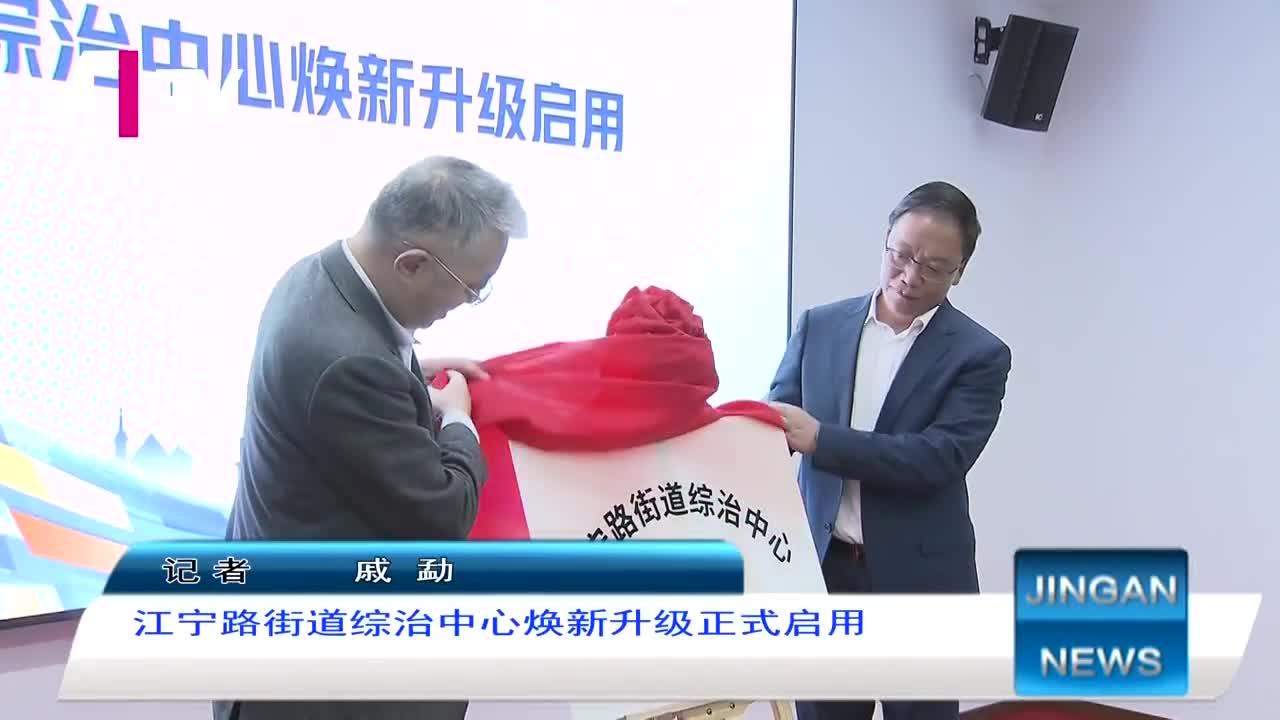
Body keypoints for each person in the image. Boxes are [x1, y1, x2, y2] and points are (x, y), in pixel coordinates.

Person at [214, 156, 527, 720]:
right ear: (412, 264)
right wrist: (457, 419)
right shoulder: (349, 364)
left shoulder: (314, 278)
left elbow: (330, 391)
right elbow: (444, 512)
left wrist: (406, 375)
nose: (464, 304)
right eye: (471, 288)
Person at [768, 182, 1011, 720]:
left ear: (960, 271)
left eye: (933, 267)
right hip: (826, 575)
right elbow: (774, 426)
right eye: (900, 255)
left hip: (920, 585)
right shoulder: (820, 326)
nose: (909, 276)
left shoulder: (981, 354)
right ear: (885, 242)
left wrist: (822, 440)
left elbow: (938, 458)